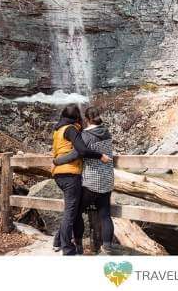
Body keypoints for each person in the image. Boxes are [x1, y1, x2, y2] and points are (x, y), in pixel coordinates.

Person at [54, 106, 116, 255]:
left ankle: (78, 244)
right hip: (107, 180)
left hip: (91, 182)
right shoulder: (107, 133)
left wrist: (57, 161)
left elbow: (76, 153)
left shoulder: (86, 135)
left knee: (75, 213)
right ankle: (107, 246)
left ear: (87, 120)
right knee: (105, 214)